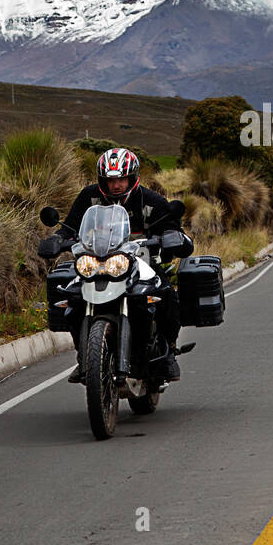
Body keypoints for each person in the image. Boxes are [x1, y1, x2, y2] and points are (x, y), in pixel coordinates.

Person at [51, 148, 189, 383]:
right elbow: (70, 226)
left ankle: (169, 352)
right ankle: (84, 356)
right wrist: (56, 239)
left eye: (121, 179)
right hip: (97, 261)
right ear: (102, 180)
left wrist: (172, 236)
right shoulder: (89, 197)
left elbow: (173, 226)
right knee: (71, 296)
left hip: (142, 261)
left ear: (132, 178)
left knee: (165, 292)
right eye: (111, 180)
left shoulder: (150, 201)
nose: (116, 185)